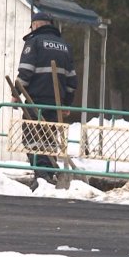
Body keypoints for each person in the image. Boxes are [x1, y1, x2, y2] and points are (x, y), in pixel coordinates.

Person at [14, 11, 77, 188]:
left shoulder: (33, 42)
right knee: (50, 139)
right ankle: (50, 172)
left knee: (34, 138)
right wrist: (67, 103)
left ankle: (41, 176)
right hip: (56, 103)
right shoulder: (65, 46)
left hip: (35, 101)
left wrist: (16, 93)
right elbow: (72, 80)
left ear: (36, 25)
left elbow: (25, 71)